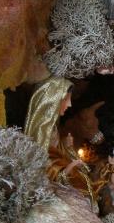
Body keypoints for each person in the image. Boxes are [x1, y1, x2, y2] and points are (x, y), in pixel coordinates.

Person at [24, 76, 97, 206]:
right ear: (52, 101)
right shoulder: (41, 130)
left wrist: (65, 145)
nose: (69, 104)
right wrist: (69, 168)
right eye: (65, 99)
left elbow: (55, 152)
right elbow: (44, 164)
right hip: (54, 180)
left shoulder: (52, 127)